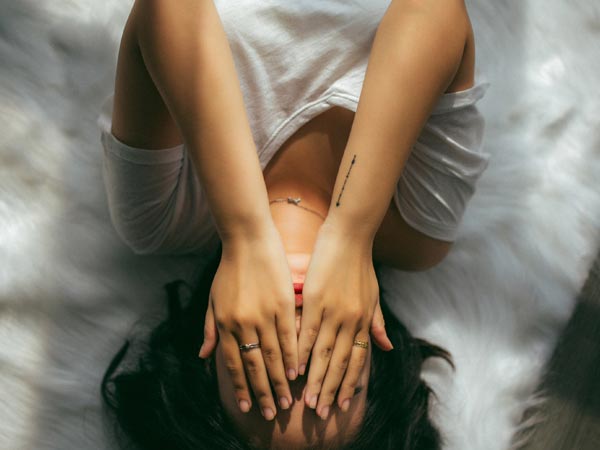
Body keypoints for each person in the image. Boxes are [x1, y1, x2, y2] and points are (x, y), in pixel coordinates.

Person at [99, 0, 491, 448]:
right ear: (377, 359)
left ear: (208, 359)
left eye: (266, 375)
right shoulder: (420, 231)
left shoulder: (159, 216)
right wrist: (351, 232)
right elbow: (434, 11)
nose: (298, 344)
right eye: (332, 371)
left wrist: (244, 233)